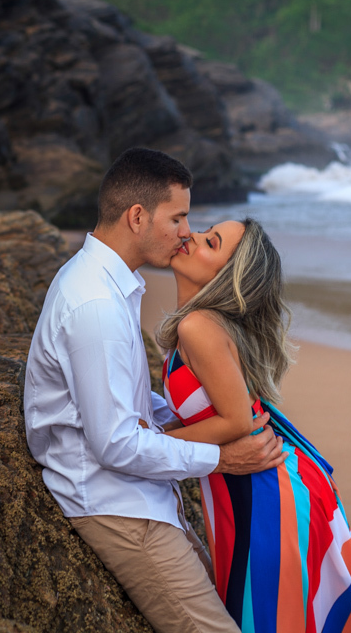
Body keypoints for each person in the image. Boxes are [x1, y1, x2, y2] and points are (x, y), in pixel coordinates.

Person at [25, 147, 286, 633]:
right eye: (178, 218)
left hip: (142, 495)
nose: (187, 232)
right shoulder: (96, 305)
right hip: (116, 504)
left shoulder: (110, 284)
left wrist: (169, 418)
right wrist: (222, 458)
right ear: (138, 217)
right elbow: (115, 444)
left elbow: (125, 403)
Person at [158, 217, 351, 633]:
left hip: (265, 492)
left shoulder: (197, 327)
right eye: (205, 232)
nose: (192, 235)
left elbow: (235, 420)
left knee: (268, 619)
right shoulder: (204, 324)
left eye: (211, 242)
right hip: (256, 482)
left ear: (228, 278)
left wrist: (157, 439)